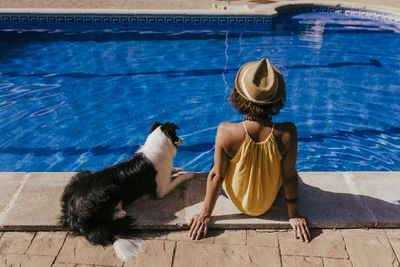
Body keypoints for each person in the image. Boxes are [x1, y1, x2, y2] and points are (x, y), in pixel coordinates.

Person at [188, 58, 310, 242]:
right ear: (278, 98)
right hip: (269, 201)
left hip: (236, 199)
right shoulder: (288, 132)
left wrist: (205, 213)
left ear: (239, 95)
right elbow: (290, 178)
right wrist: (293, 215)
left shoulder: (226, 131)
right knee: (290, 170)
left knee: (216, 164)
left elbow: (217, 176)